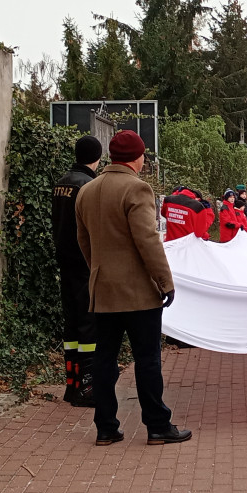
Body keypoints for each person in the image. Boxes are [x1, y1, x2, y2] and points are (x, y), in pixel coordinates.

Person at [74, 130, 191, 446]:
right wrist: (165, 282)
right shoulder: (137, 189)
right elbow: (147, 240)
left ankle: (106, 427)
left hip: (103, 290)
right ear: (138, 158)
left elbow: (84, 242)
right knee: (148, 359)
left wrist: (98, 272)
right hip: (138, 293)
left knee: (104, 358)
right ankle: (157, 425)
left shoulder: (87, 190)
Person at [52, 135, 102, 407]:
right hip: (84, 263)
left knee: (71, 324)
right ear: (98, 157)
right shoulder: (89, 186)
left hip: (65, 261)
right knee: (87, 324)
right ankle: (88, 385)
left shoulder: (61, 183)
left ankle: (71, 385)